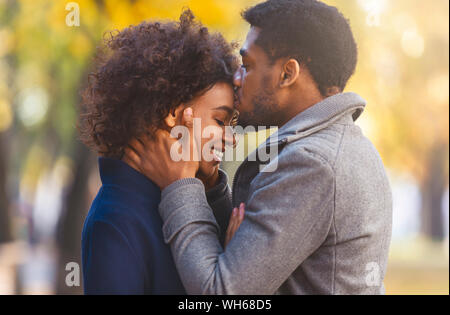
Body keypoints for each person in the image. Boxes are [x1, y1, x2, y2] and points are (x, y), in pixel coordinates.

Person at [125, 0, 393, 295]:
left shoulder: (312, 164)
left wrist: (180, 183)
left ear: (287, 74)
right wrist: (212, 188)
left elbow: (221, 292)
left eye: (247, 65)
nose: (236, 79)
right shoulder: (349, 148)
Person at [78, 9, 243, 294]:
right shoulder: (117, 218)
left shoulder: (182, 198)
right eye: (220, 121)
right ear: (173, 114)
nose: (232, 139)